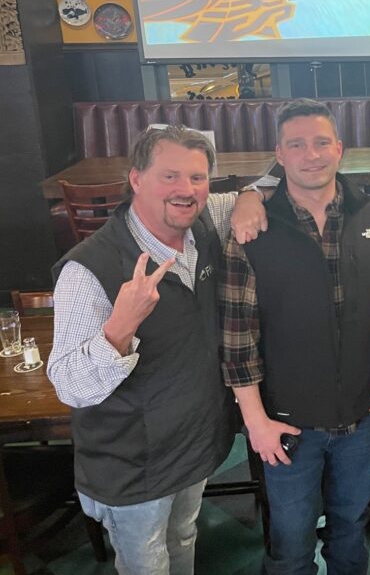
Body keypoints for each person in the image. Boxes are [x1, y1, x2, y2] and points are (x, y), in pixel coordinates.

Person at [47, 126, 237, 575]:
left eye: (197, 177)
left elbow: (276, 180)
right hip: (132, 467)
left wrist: (249, 199)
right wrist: (120, 327)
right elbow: (69, 385)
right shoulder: (87, 268)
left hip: (193, 445)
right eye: (169, 176)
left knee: (184, 537)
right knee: (146, 566)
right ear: (136, 179)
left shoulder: (206, 226)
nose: (186, 189)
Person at [220, 99, 370, 575]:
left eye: (321, 142)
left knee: (351, 527)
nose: (311, 155)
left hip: (360, 412)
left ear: (339, 148)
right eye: (296, 145)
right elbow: (237, 337)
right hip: (288, 423)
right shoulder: (252, 227)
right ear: (279, 155)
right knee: (292, 540)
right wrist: (256, 421)